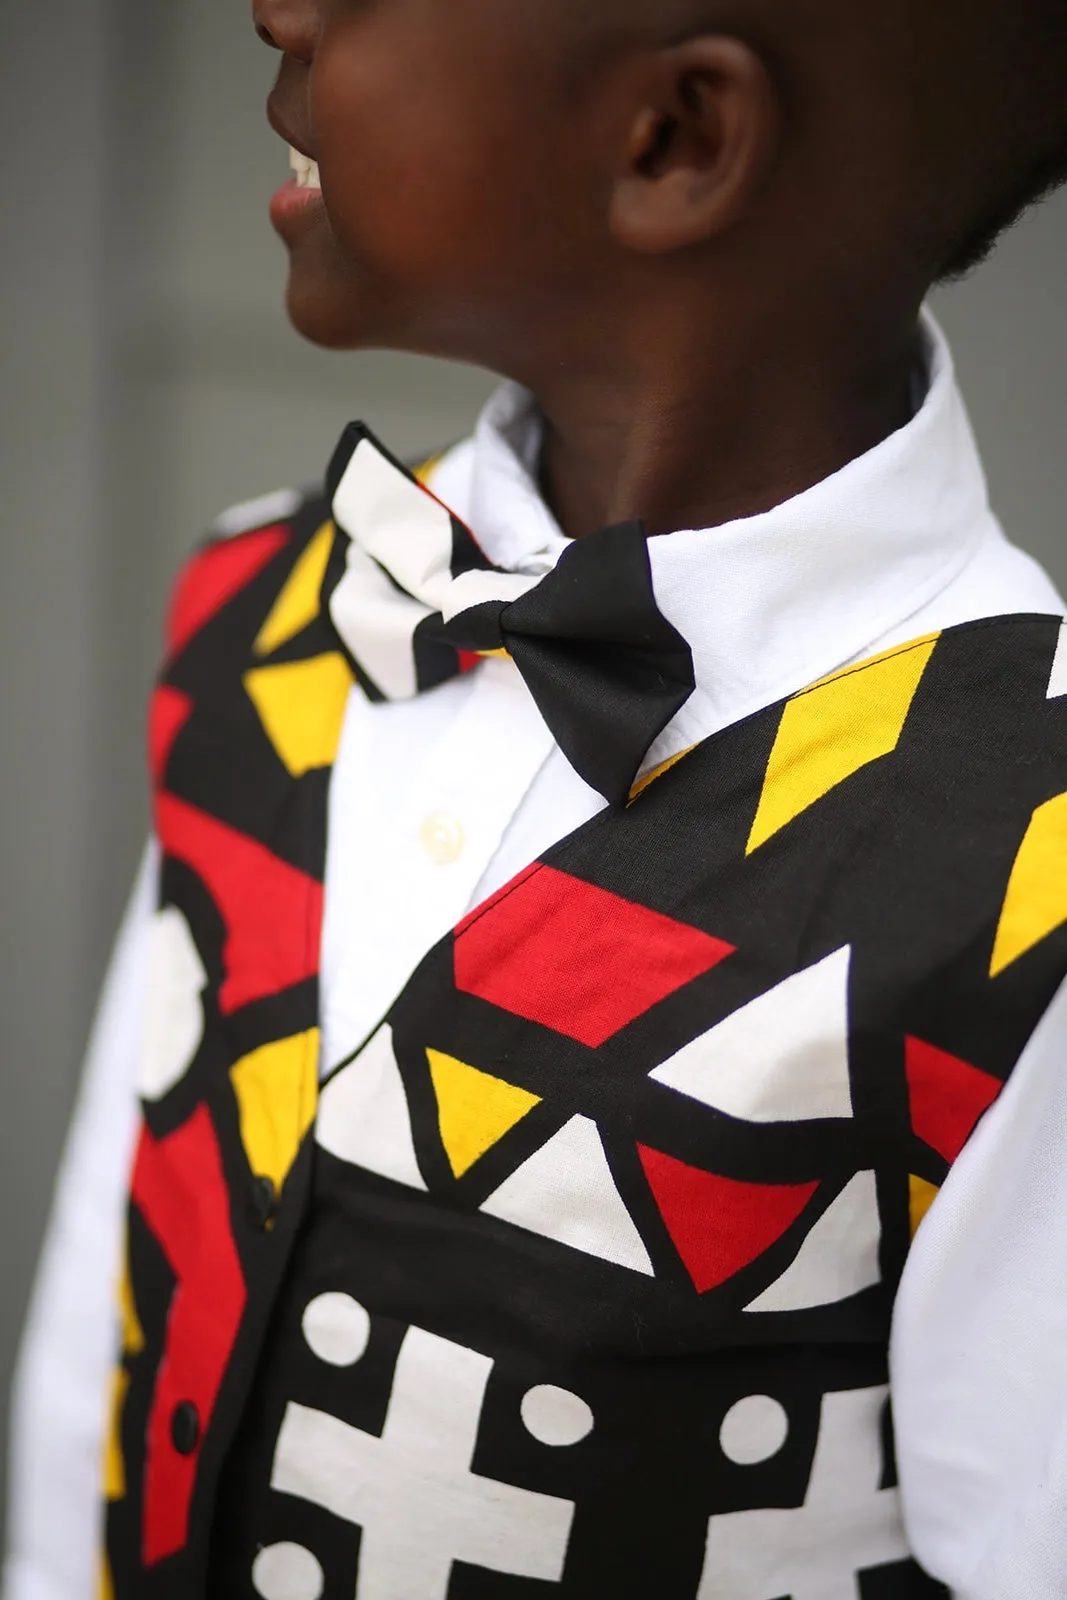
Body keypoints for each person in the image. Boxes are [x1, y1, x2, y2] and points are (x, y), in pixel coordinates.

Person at [7, 0, 1067, 1596]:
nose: (278, 11)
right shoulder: (271, 605)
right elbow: (112, 1279)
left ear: (674, 138)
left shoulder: (1021, 859)